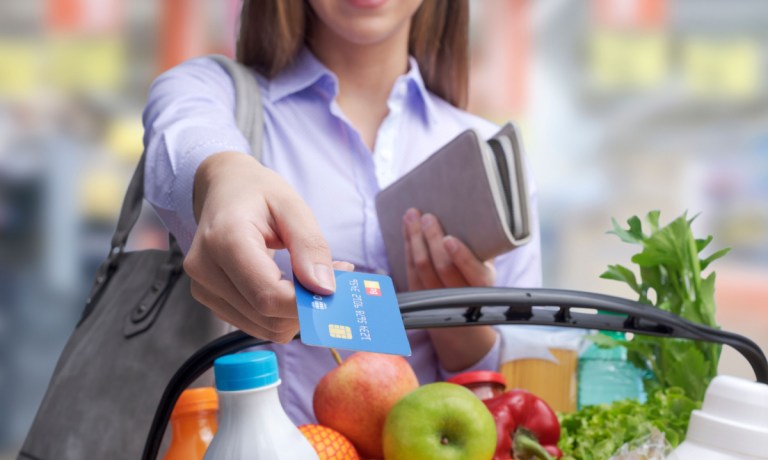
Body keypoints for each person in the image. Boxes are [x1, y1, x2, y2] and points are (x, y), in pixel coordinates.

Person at [143, 0, 541, 424]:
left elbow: (527, 396)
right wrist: (225, 176)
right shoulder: (213, 94)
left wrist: (463, 341)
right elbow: (185, 132)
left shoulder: (489, 157)